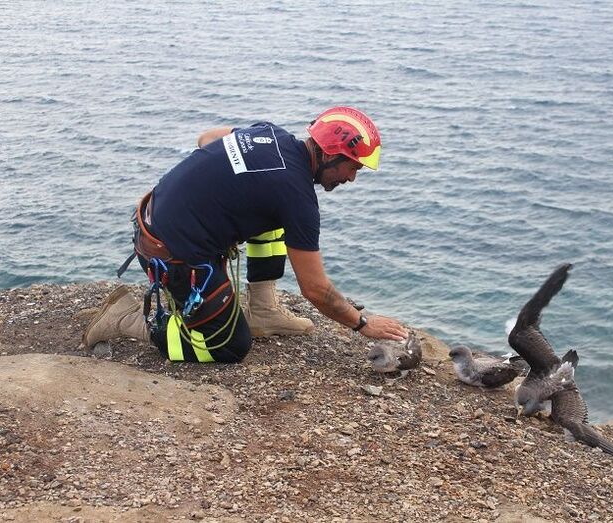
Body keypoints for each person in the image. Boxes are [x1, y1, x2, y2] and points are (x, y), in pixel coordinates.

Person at [83, 106, 408, 363]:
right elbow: (315, 289)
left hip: (152, 220)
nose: (352, 178)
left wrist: (224, 197)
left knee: (269, 214)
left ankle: (263, 309)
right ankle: (125, 319)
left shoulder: (270, 134)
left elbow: (206, 138)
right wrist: (362, 324)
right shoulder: (296, 197)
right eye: (353, 167)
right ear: (328, 155)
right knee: (228, 347)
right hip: (170, 255)